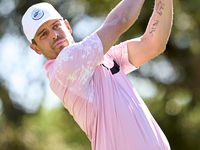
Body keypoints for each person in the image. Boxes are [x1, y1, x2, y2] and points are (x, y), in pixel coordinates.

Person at [22, 0, 173, 149]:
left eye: (56, 26)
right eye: (44, 34)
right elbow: (120, 20)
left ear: (67, 26)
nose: (54, 35)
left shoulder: (104, 58)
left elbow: (154, 44)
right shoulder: (63, 66)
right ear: (36, 49)